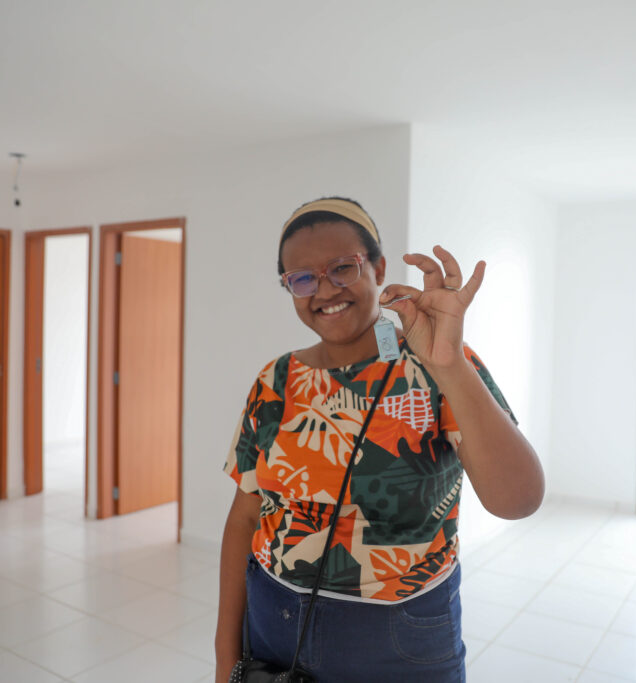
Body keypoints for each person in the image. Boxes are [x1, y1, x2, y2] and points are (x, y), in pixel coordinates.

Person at [215, 197, 544, 682]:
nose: (324, 289)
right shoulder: (275, 380)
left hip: (397, 638)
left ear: (379, 268)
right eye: (302, 279)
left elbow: (519, 501)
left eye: (342, 268)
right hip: (272, 628)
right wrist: (225, 658)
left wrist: (450, 366)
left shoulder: (437, 367)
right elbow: (245, 516)